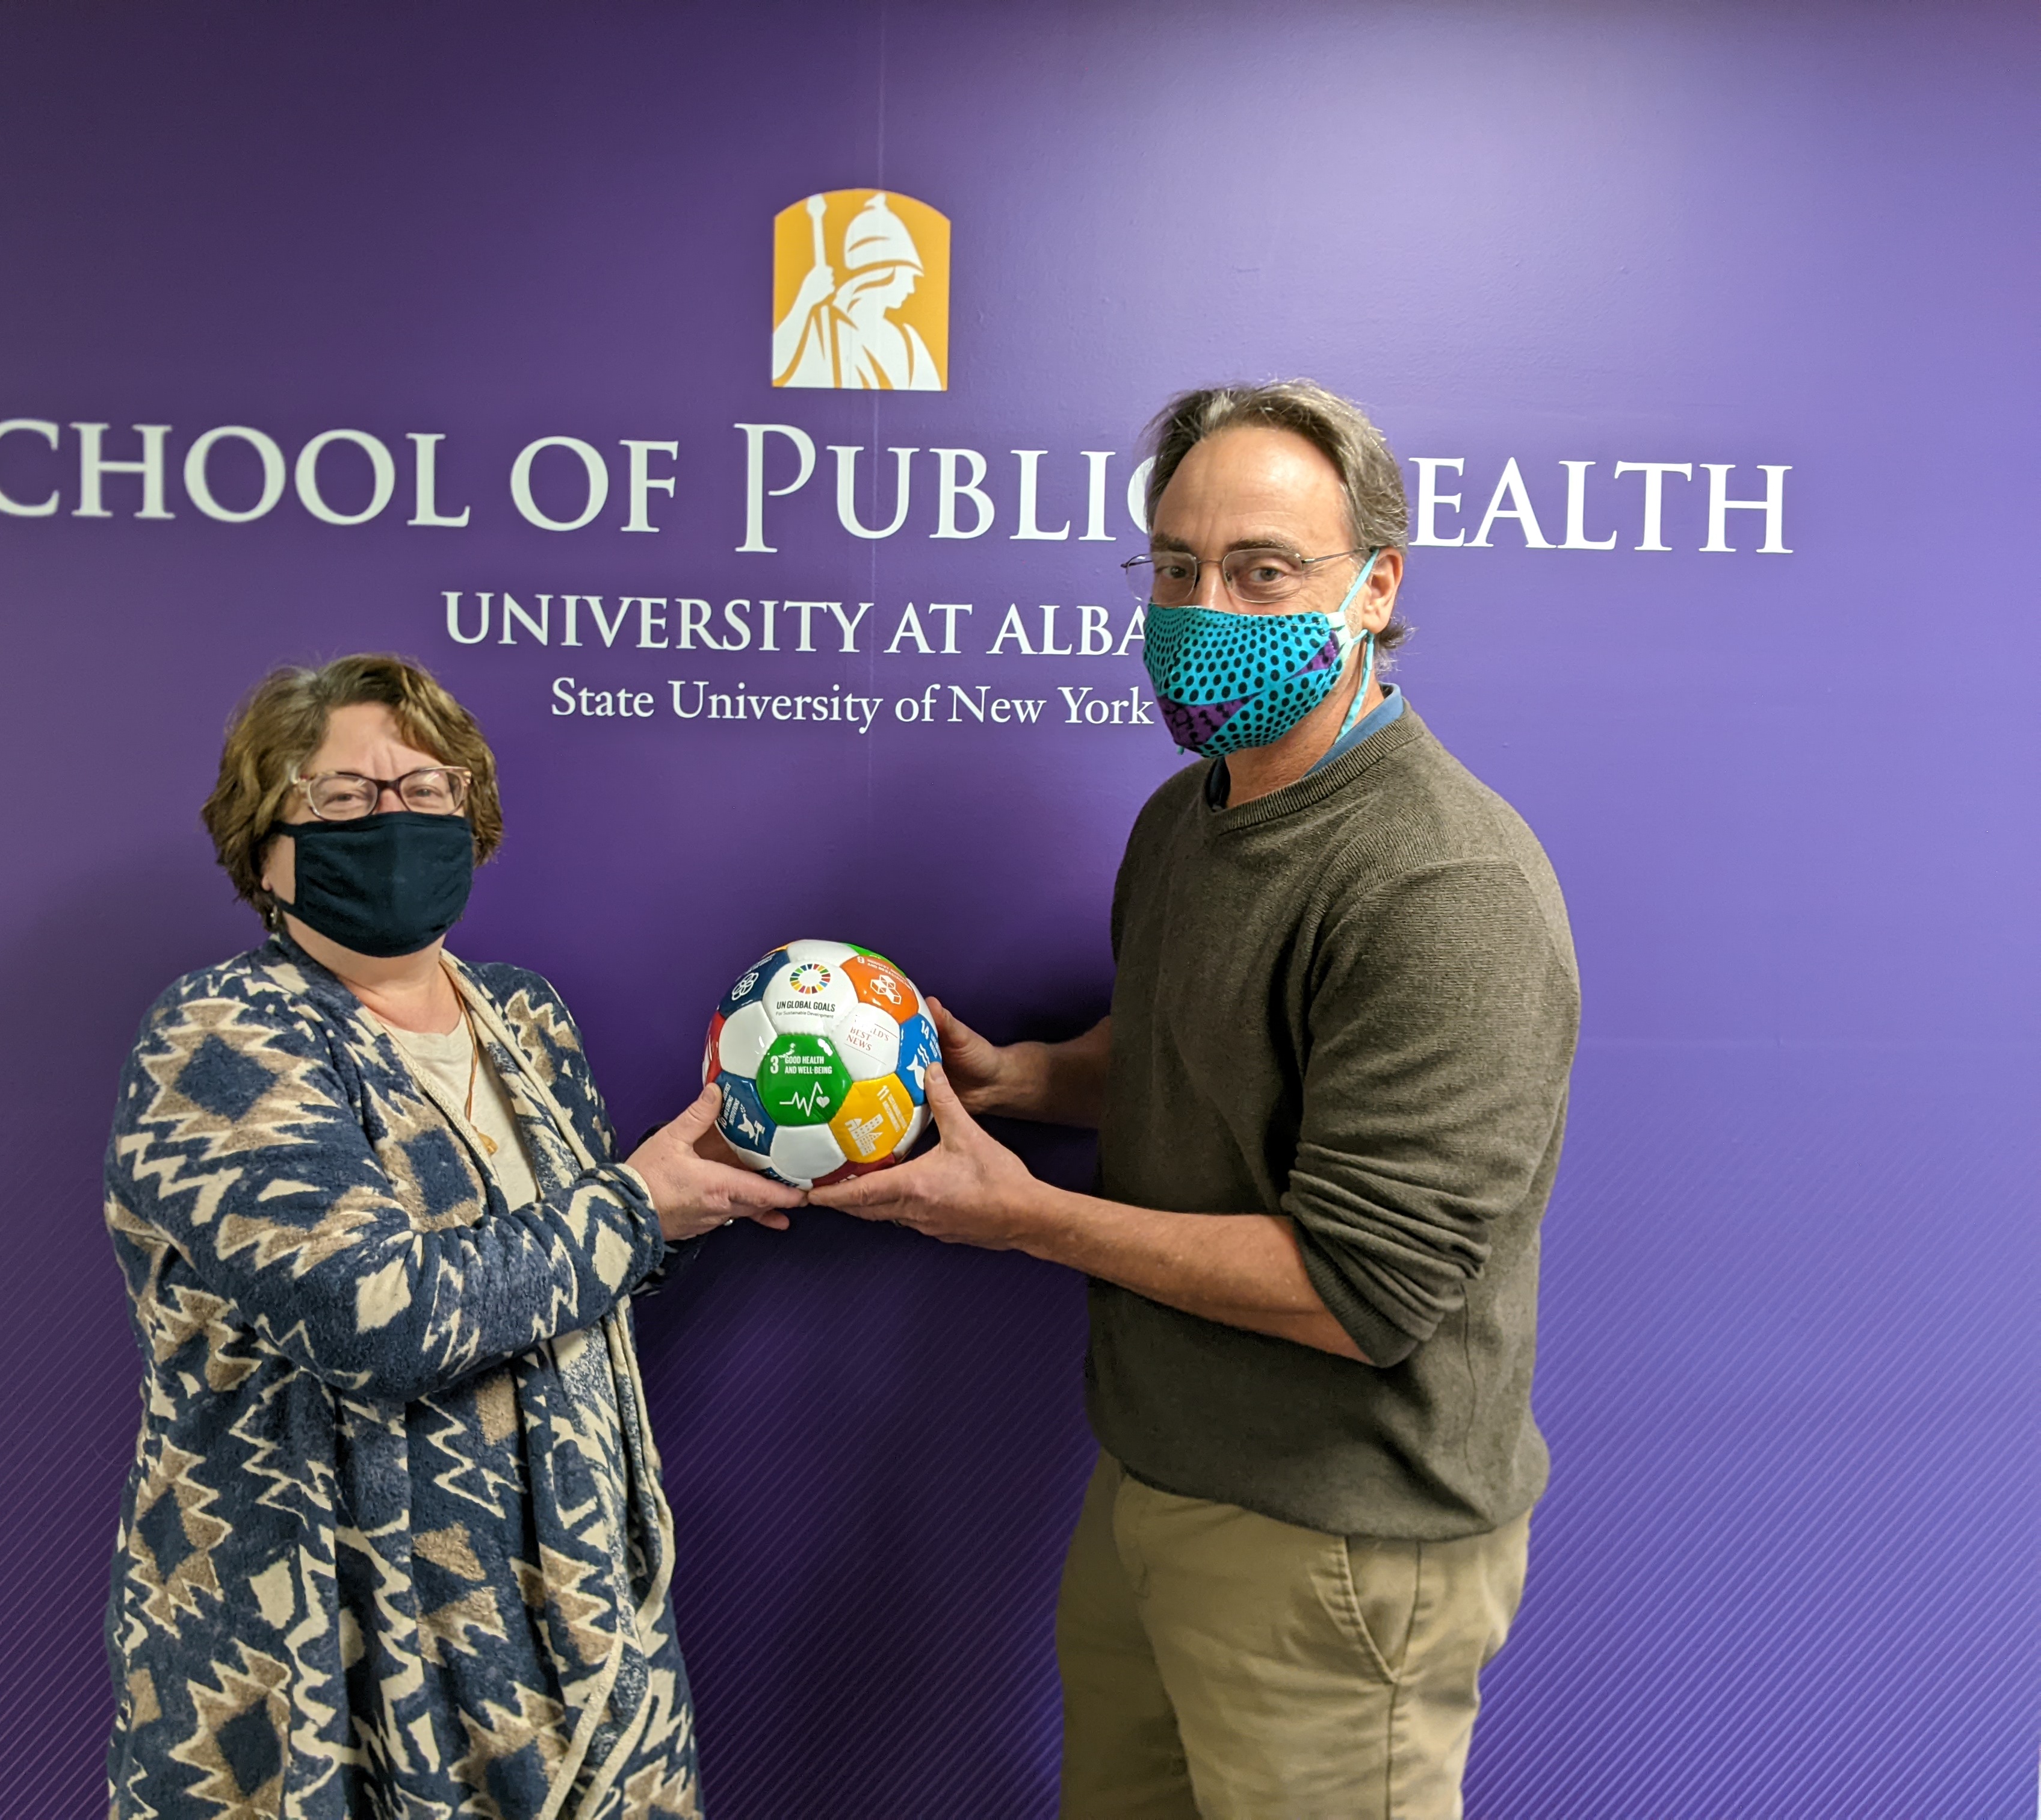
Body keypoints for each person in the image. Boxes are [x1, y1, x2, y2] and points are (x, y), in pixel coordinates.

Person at [811, 382, 1581, 1819]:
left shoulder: (1442, 887)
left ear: (1374, 587)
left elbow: (1360, 1287)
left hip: (1339, 1541)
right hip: (1153, 1482)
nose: (1202, 606)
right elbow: (1199, 1051)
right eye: (1174, 567)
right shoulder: (1191, 814)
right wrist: (1031, 1079)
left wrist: (1027, 1221)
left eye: (1261, 570)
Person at [102, 653, 799, 1819]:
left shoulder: (521, 1016)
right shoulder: (221, 1036)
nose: (396, 817)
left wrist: (706, 1189)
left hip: (566, 1634)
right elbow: (379, 1315)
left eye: (429, 791)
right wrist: (637, 1208)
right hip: (321, 1655)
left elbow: (561, 1274)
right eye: (344, 796)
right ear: (262, 841)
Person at [771, 191, 942, 390]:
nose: (912, 289)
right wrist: (805, 301)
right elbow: (777, 368)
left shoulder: (909, 341)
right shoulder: (821, 325)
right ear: (884, 274)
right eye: (908, 277)